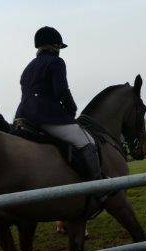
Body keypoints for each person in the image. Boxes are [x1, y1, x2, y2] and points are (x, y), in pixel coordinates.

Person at [14, 26, 108, 205]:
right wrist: (71, 110)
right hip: (46, 116)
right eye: (58, 46)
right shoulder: (56, 62)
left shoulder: (29, 67)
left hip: (23, 116)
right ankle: (99, 187)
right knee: (86, 142)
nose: (59, 50)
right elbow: (61, 91)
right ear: (54, 45)